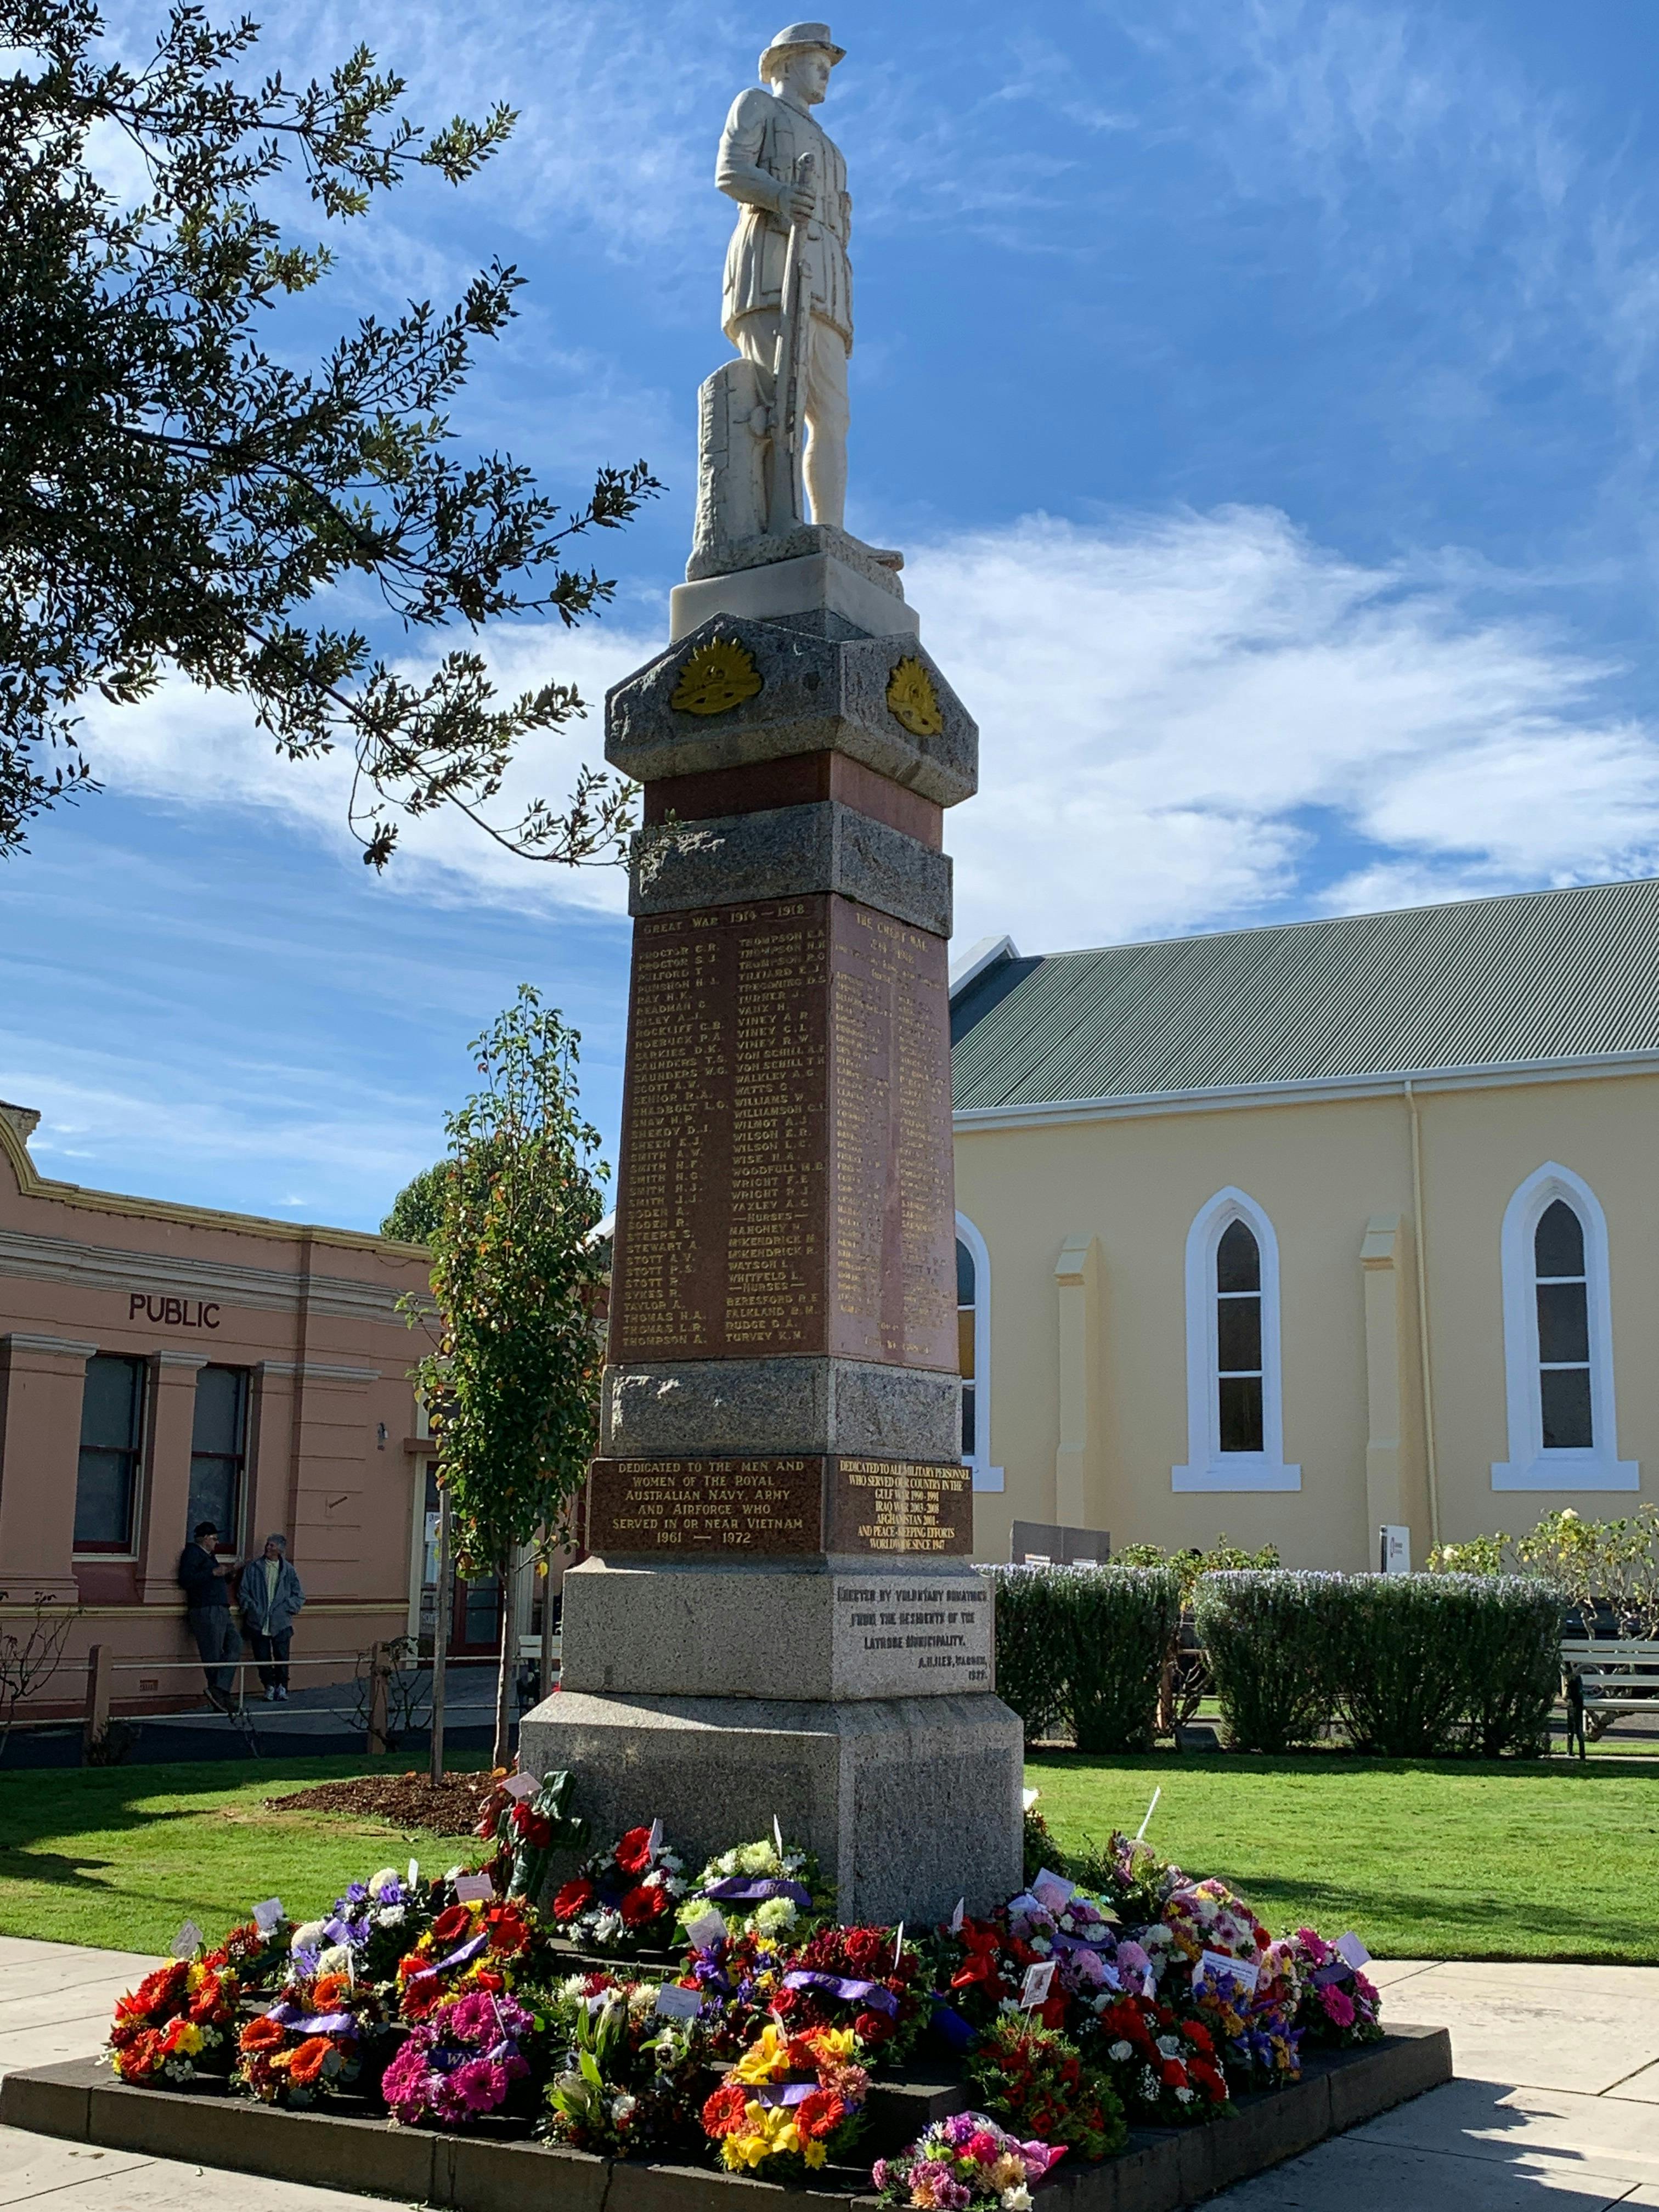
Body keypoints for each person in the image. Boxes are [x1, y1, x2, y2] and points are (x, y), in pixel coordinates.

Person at [717, 22, 852, 528]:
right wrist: (778, 196)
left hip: (826, 284)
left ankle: (829, 530)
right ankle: (775, 524)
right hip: (771, 268)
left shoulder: (832, 148)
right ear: (787, 61)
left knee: (832, 417)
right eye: (818, 60)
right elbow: (730, 171)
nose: (825, 73)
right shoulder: (757, 105)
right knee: (779, 405)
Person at [177, 1520, 241, 1712]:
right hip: (206, 1608)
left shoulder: (209, 1556)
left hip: (220, 1607)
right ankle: (220, 1696)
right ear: (204, 1539)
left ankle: (219, 1689)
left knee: (235, 1644)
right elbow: (187, 1579)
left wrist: (230, 1574)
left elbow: (214, 1578)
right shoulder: (193, 1553)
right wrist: (213, 1572)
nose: (217, 1542)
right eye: (214, 1538)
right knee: (213, 1653)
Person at [238, 1534, 305, 1701]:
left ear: (280, 1550)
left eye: (272, 1546)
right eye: (268, 1545)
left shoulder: (288, 1570)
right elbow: (243, 1591)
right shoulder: (254, 1568)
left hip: (281, 1623)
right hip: (258, 1621)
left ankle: (282, 1686)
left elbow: (299, 1595)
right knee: (262, 1657)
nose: (268, 1548)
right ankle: (268, 1685)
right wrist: (251, 1607)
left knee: (282, 1657)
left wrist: (287, 1608)